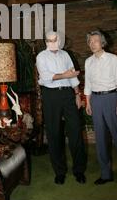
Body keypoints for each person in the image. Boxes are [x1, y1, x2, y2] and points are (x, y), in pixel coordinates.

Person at [36, 30, 87, 185]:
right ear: (45, 41)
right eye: (48, 40)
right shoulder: (41, 57)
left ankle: (79, 170)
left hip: (67, 94)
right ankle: (59, 172)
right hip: (51, 96)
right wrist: (65, 75)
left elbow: (73, 76)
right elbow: (46, 77)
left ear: (59, 40)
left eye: (54, 40)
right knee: (54, 133)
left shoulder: (66, 55)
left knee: (76, 130)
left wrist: (77, 94)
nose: (51, 42)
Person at [84, 30, 117, 192]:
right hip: (95, 101)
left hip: (112, 99)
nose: (92, 44)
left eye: (95, 41)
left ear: (102, 43)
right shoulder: (88, 62)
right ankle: (106, 174)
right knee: (100, 140)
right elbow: (88, 84)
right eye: (90, 41)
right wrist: (88, 102)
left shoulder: (113, 59)